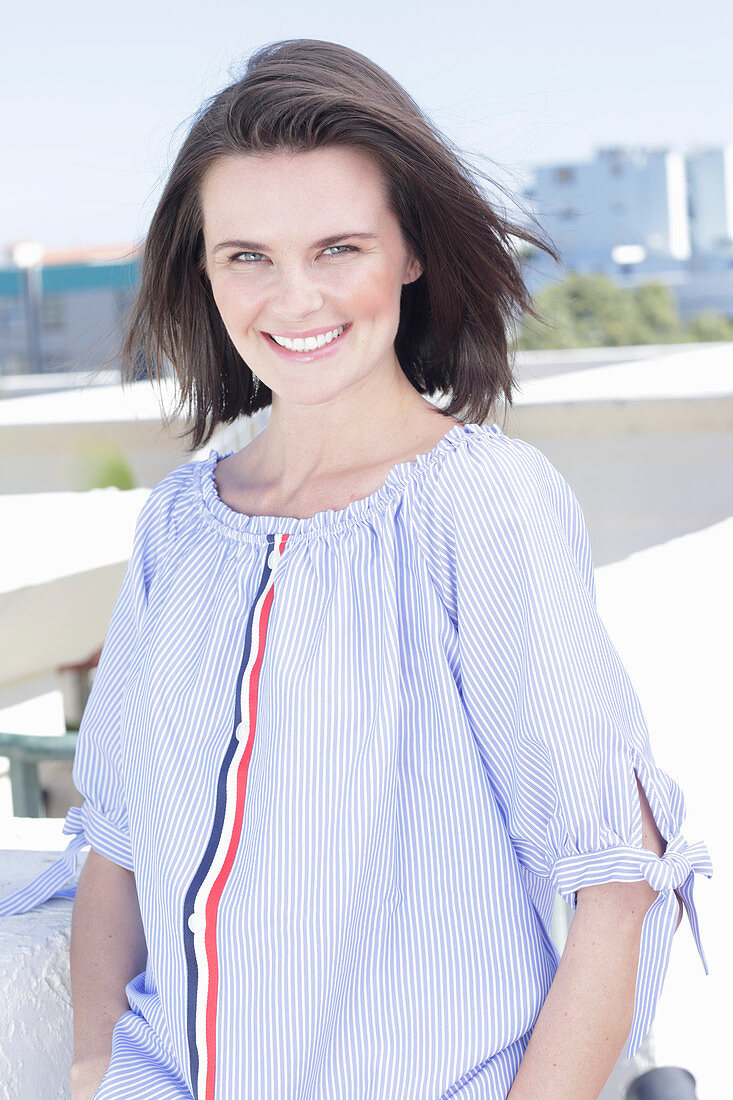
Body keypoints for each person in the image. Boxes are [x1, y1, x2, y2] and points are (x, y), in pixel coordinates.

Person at [0, 38, 713, 1100]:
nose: (294, 298)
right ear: (203, 267)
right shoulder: (181, 526)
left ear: (409, 253)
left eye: (337, 247)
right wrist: (100, 1069)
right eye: (247, 254)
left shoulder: (483, 508)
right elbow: (119, 842)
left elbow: (617, 875)